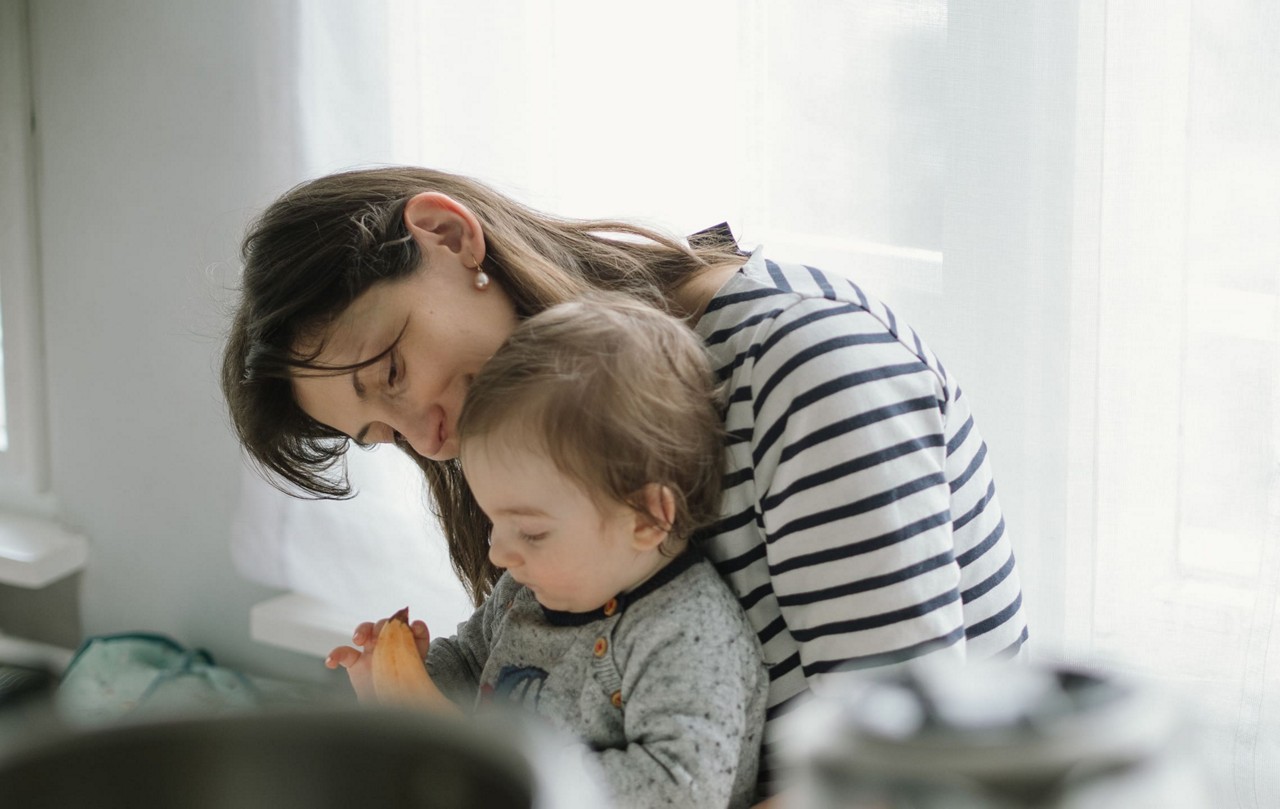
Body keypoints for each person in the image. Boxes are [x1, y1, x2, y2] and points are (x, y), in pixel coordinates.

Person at [222, 166, 1029, 791]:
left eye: (393, 371)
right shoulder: (551, 446)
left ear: (449, 236)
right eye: (383, 433)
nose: (432, 440)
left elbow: (891, 779)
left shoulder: (804, 371)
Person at [324, 297, 768, 809]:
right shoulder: (527, 592)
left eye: (530, 532)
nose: (498, 554)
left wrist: (516, 766)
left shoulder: (687, 632)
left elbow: (680, 787)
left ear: (647, 518)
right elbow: (472, 660)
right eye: (495, 522)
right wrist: (407, 679)